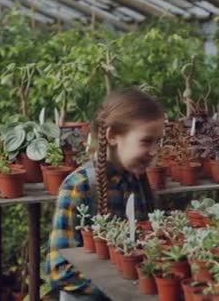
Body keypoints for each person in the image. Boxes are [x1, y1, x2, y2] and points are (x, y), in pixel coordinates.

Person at [45, 88, 165, 300]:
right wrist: (125, 288)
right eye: (146, 141)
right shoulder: (79, 186)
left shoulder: (139, 181)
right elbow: (59, 271)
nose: (155, 151)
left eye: (158, 141)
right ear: (112, 136)